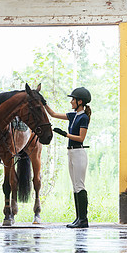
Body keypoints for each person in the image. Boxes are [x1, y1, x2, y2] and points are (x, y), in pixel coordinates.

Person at [44, 87, 91, 228]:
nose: (71, 102)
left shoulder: (84, 117)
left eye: (73, 99)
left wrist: (65, 134)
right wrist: (43, 102)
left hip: (78, 152)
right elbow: (53, 114)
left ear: (80, 101)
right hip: (70, 152)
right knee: (75, 186)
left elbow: (81, 138)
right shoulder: (73, 115)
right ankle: (78, 218)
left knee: (80, 185)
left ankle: (83, 219)